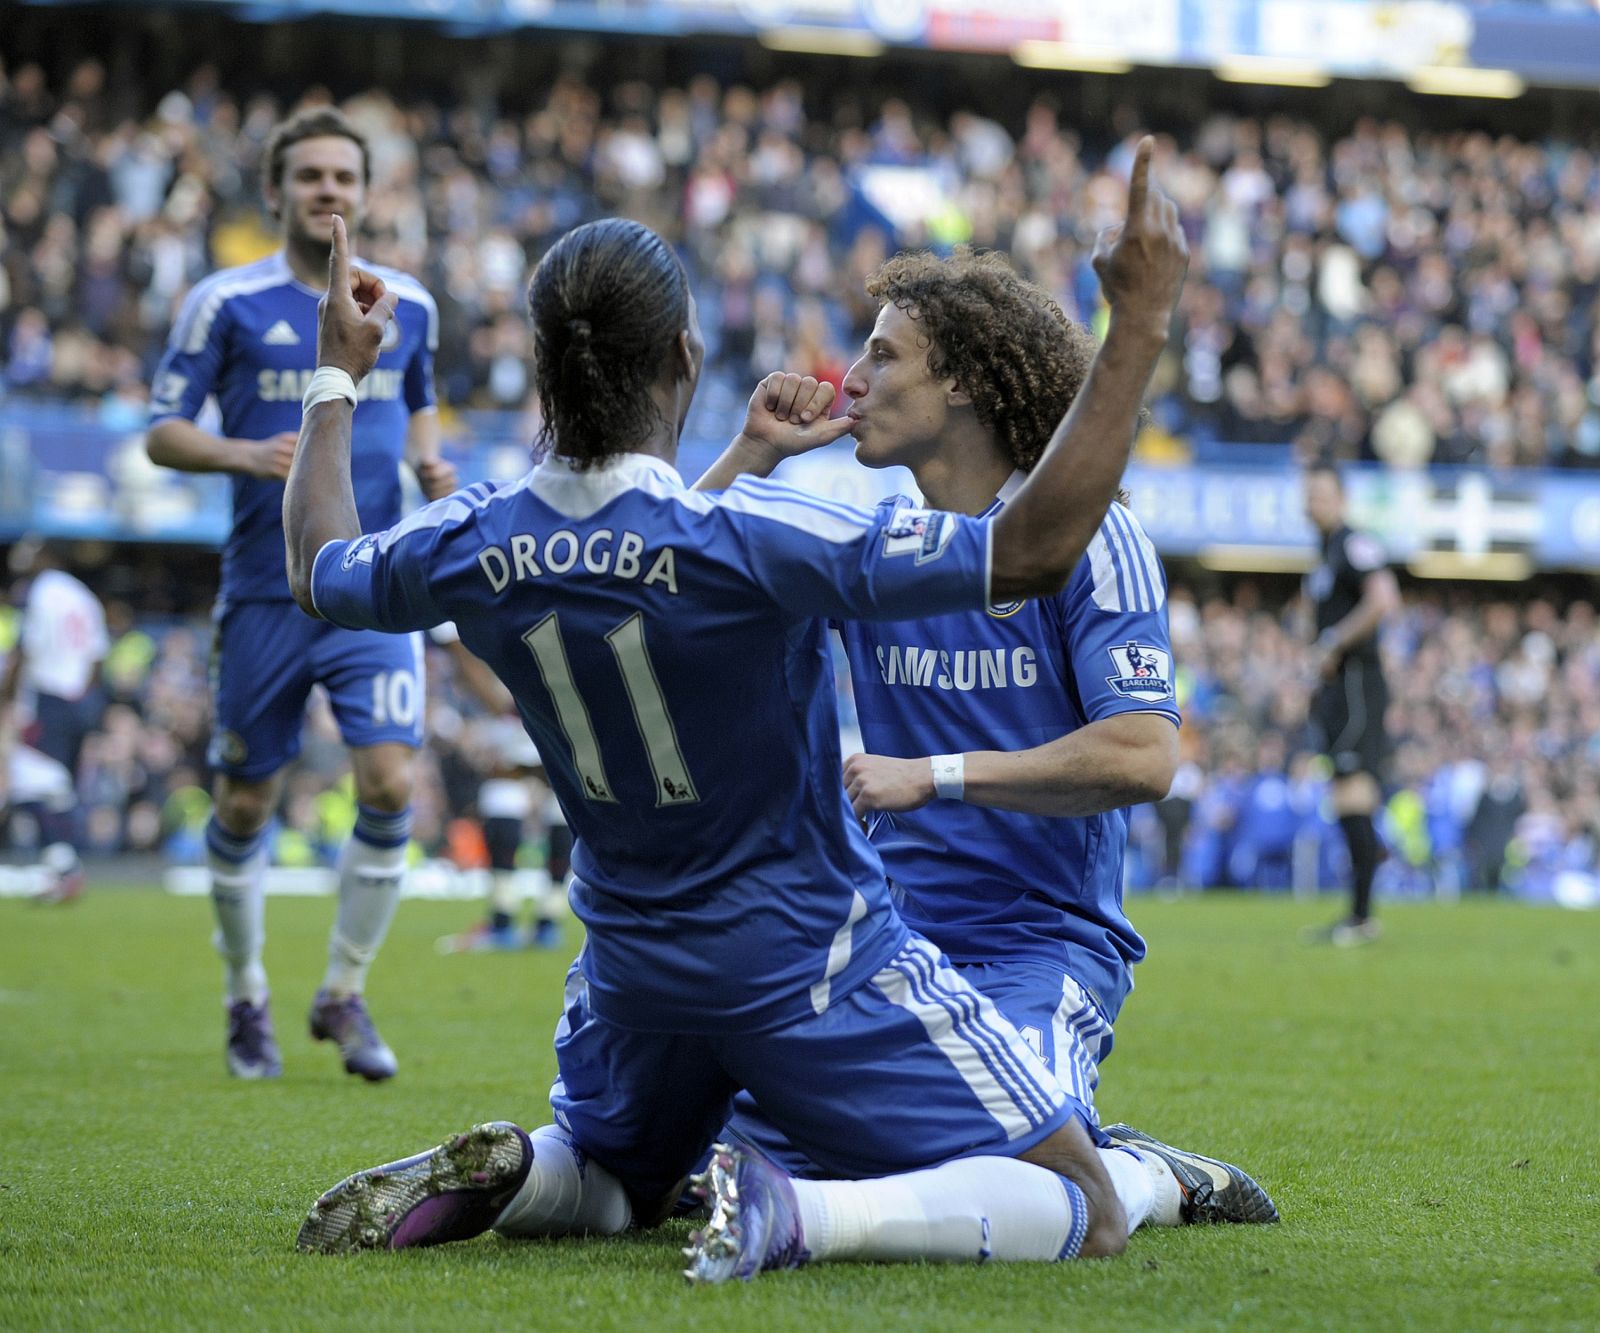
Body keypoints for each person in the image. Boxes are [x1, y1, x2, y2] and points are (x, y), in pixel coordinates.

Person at [286, 137, 1188, 1282]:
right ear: (683, 356)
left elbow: (320, 562)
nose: (854, 375)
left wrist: (333, 378)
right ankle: (796, 1220)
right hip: (811, 964)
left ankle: (525, 1169)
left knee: (628, 1180)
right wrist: (1142, 323)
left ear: (546, 365)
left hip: (628, 976)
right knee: (1079, 1196)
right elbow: (1025, 551)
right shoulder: (767, 535)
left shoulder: (478, 536)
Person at [699, 248, 1275, 1225]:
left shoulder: (1090, 540)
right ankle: (1087, 1144)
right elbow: (666, 587)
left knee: (1036, 1180)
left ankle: (1143, 1177)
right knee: (695, 1161)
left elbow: (1144, 753)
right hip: (886, 946)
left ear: (960, 380)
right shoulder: (874, 547)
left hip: (1035, 944)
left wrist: (935, 776)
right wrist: (750, 456)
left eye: (883, 357)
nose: (851, 380)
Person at [145, 106, 458, 1080]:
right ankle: (246, 996)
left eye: (343, 176)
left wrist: (431, 467)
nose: (328, 190)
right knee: (244, 800)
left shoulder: (404, 299)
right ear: (276, 190)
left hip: (372, 581)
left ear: (365, 191)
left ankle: (343, 992)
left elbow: (417, 408)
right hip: (262, 586)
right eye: (310, 175)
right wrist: (246, 452)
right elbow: (162, 429)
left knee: (392, 779)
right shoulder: (224, 302)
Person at [1301, 464, 1400, 945]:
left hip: (1358, 685)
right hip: (1339, 690)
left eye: (1321, 493)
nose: (1312, 503)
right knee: (1345, 795)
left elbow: (1384, 597)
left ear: (1340, 498)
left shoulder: (1353, 543)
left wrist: (1334, 642)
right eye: (1309, 494)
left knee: (1353, 793)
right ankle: (1359, 910)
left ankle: (1362, 917)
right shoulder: (1324, 554)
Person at [0, 538, 108, 904]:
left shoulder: (38, 593)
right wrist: (86, 702)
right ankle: (60, 869)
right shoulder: (83, 596)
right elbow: (97, 658)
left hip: (48, 696)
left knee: (31, 784)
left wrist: (7, 699)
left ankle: (63, 868)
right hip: (77, 697)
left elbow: (24, 649)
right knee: (57, 786)